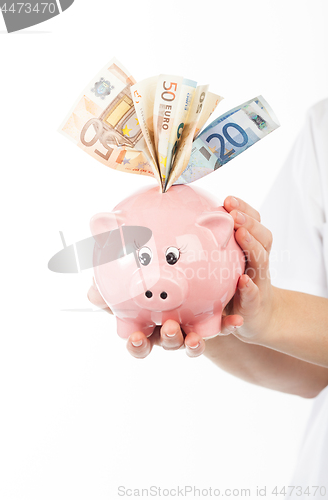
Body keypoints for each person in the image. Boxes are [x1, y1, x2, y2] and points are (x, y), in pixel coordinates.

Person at [88, 99, 328, 494]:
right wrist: (218, 320)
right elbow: (312, 370)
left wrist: (276, 314)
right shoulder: (323, 128)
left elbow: (281, 317)